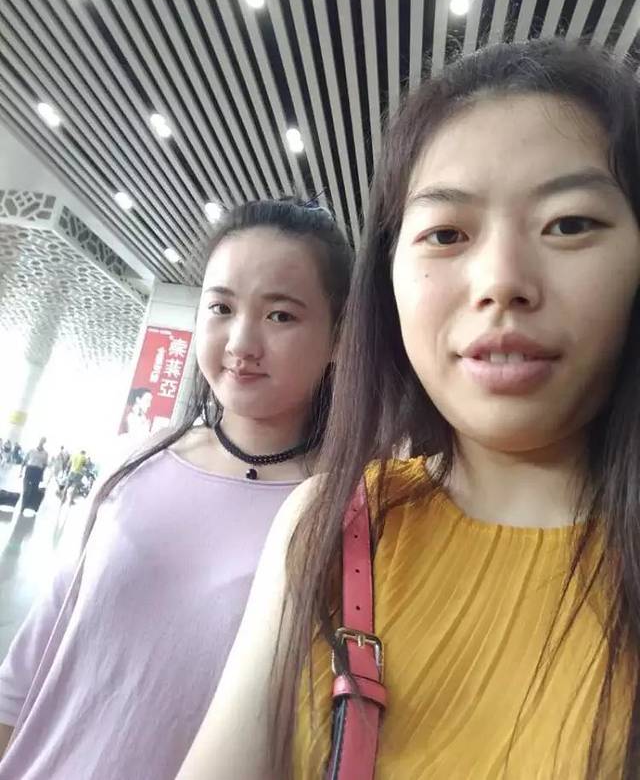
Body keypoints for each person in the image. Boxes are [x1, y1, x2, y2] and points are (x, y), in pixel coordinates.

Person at [179, 39, 640, 780]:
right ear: (388, 283)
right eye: (446, 234)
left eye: (569, 223)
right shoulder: (330, 525)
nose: (501, 281)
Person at [0, 199, 352, 780]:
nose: (241, 342)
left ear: (338, 337)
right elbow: (26, 670)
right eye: (221, 307)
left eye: (280, 315)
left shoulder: (343, 513)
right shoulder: (134, 464)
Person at [20, 439, 48, 511]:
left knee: (34, 490)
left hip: (38, 472)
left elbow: (44, 465)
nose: (41, 443)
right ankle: (23, 506)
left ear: (44, 443)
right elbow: (25, 460)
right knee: (26, 490)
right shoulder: (31, 450)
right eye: (41, 441)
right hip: (30, 470)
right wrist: (21, 472)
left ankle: (29, 505)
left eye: (43, 441)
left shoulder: (45, 453)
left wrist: (42, 475)